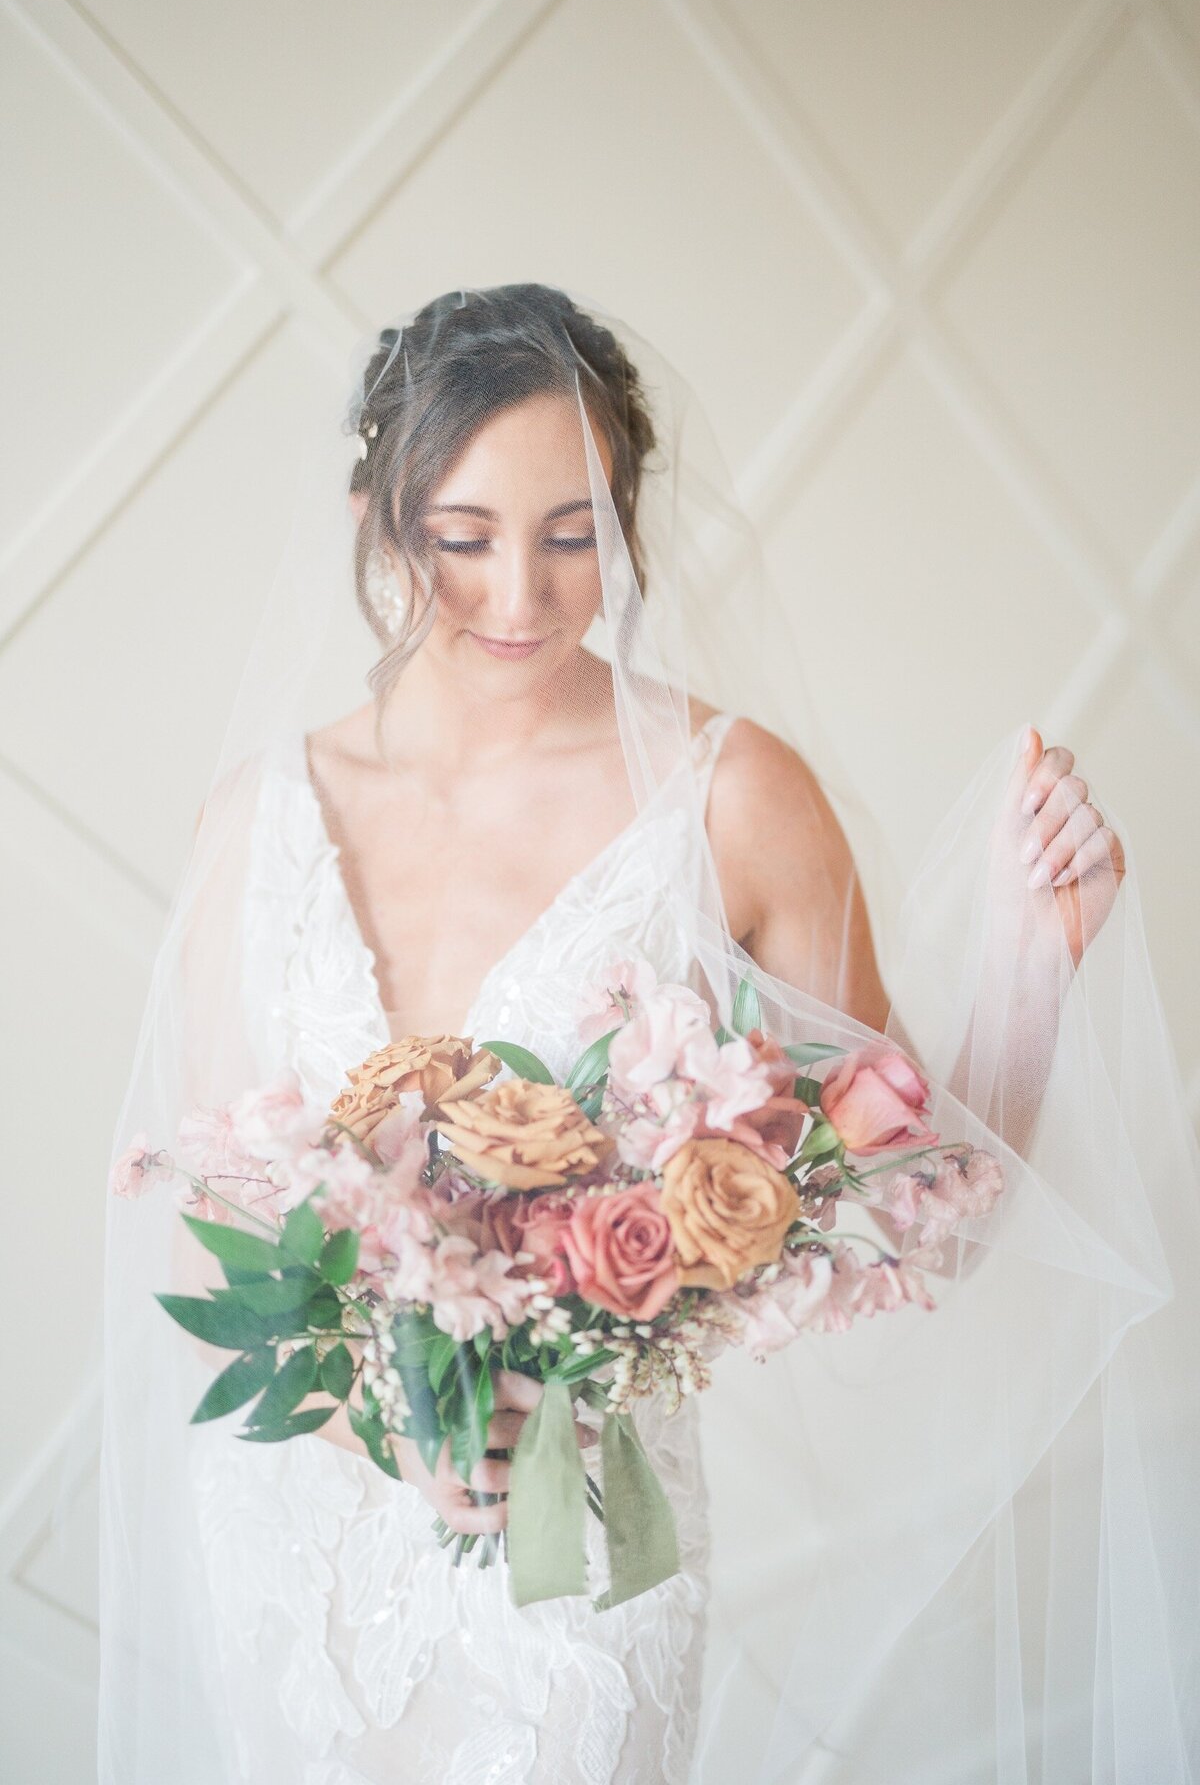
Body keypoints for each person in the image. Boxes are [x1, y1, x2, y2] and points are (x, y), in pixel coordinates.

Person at [99, 284, 1199, 1782]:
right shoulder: (260, 818)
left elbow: (910, 1219)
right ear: (376, 517)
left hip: (575, 1579)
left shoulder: (734, 800)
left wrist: (1031, 960)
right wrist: (394, 1428)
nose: (521, 599)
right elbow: (206, 1233)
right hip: (298, 1558)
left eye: (574, 536)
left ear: (626, 523)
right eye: (462, 537)